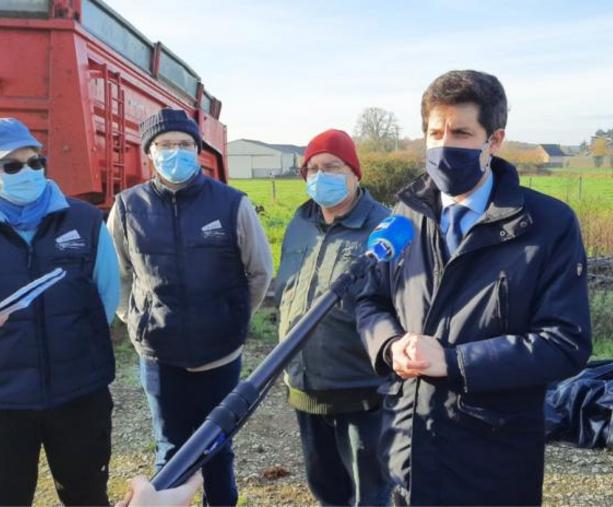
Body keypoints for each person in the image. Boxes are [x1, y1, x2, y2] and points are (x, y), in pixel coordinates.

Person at [355, 70, 592, 505]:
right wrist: (389, 346)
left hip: (493, 458)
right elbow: (370, 300)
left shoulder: (547, 225)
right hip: (407, 444)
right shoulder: (404, 216)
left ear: (494, 141)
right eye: (434, 132)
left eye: (461, 132)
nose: (444, 144)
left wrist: (453, 361)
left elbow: (565, 342)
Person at [107, 108, 273, 505]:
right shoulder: (129, 207)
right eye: (165, 145)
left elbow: (260, 272)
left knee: (218, 448)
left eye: (184, 144)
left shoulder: (233, 204)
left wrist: (231, 318)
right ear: (150, 153)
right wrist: (136, 320)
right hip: (160, 357)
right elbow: (118, 276)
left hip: (220, 355)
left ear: (198, 151)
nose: (175, 153)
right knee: (170, 451)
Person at [0, 118, 120, 505]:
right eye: (11, 165)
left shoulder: (84, 221)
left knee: (86, 495)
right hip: (5, 403)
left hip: (79, 395)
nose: (27, 172)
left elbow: (105, 297)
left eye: (35, 162)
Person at [275, 129, 391, 505]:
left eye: (332, 166)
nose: (320, 176)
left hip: (361, 390)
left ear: (355, 173)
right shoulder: (300, 223)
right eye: (312, 169)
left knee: (370, 493)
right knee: (326, 490)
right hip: (305, 385)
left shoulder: (384, 226)